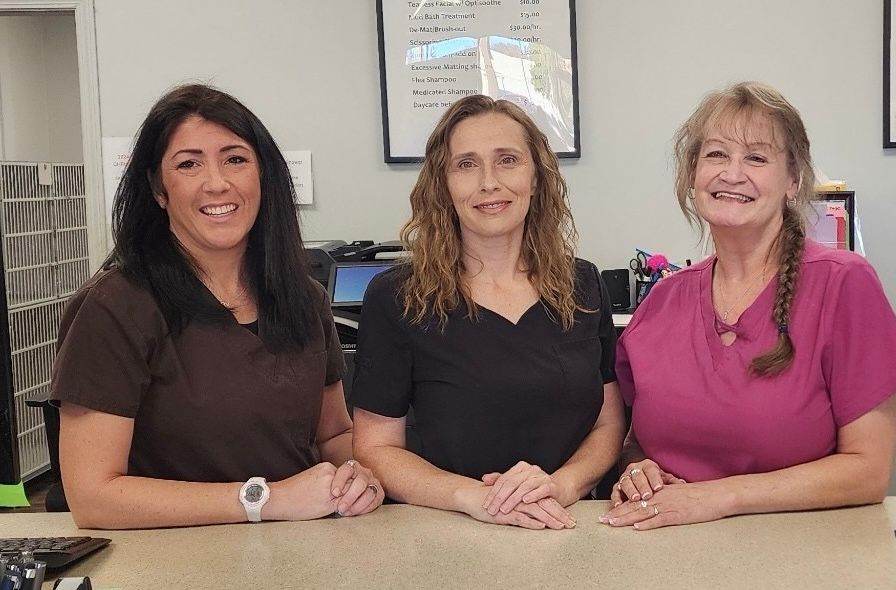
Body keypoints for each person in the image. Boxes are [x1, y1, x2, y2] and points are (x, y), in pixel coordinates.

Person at [51, 84, 384, 529]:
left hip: (302, 552)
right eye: (188, 164)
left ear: (263, 174)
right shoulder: (115, 306)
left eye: (235, 159)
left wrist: (360, 475)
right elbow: (93, 497)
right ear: (158, 188)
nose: (216, 182)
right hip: (174, 563)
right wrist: (265, 500)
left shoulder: (304, 298)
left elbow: (333, 435)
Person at [602, 81, 896, 530]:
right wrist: (635, 469)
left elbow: (867, 471)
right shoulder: (663, 300)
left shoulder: (844, 284)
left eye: (756, 157)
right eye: (716, 154)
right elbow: (638, 440)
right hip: (667, 548)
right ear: (691, 173)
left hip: (800, 551)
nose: (732, 173)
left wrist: (716, 498)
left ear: (793, 180)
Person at [352, 95, 624, 530]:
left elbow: (609, 422)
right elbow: (376, 448)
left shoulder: (583, 284)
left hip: (570, 525)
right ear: (443, 184)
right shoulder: (398, 297)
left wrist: (562, 486)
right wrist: (475, 498)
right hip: (451, 529)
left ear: (536, 177)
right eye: (466, 164)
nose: (489, 182)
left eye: (508, 160)